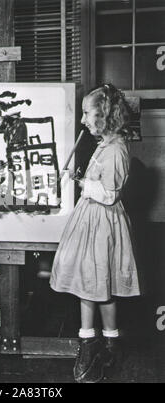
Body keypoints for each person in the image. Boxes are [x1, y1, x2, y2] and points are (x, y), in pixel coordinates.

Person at [50, 84, 140, 383]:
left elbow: (109, 195)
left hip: (101, 222)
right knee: (99, 283)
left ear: (104, 114)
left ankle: (94, 345)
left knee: (93, 284)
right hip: (94, 221)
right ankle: (106, 342)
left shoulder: (114, 149)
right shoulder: (105, 145)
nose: (83, 119)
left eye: (88, 113)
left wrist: (78, 181)